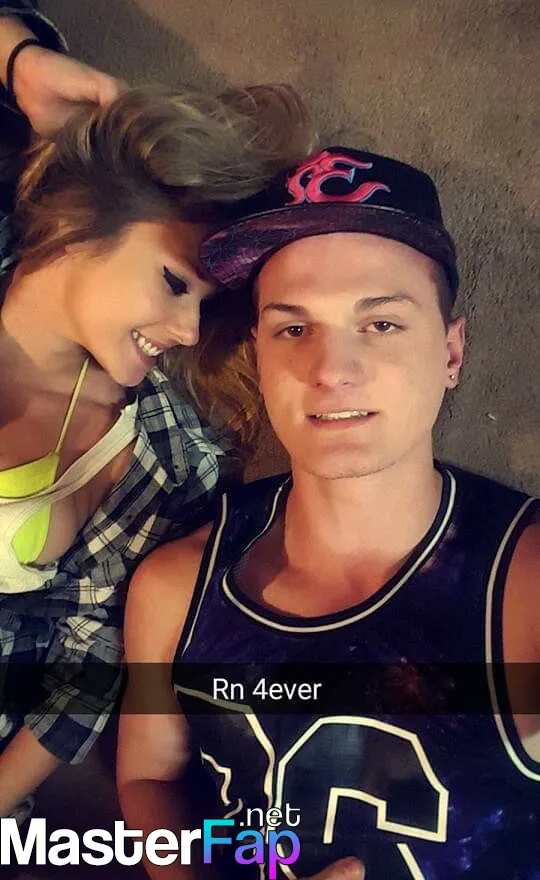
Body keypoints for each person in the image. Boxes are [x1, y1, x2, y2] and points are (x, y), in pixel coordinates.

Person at [118, 146, 539, 879]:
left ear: (451, 352)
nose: (331, 370)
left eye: (382, 324)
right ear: (258, 355)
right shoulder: (177, 589)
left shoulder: (524, 590)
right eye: (293, 329)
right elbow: (149, 778)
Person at [0, 6, 316, 820]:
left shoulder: (170, 465)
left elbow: (89, 672)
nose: (184, 332)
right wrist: (21, 60)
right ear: (84, 221)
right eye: (174, 282)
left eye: (204, 307)